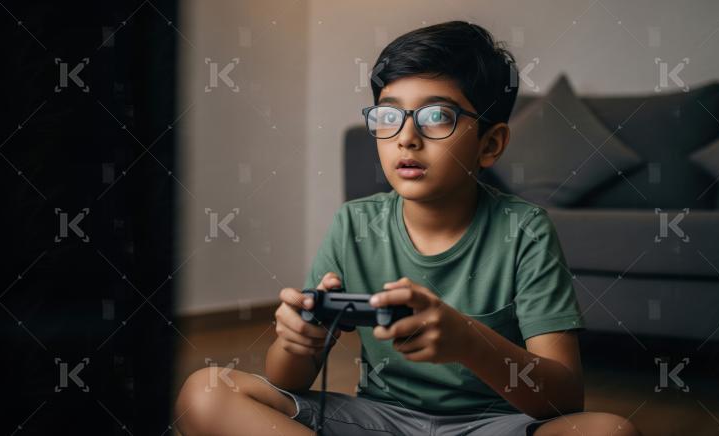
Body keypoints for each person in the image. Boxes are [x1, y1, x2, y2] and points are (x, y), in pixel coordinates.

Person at [176, 20, 641, 436]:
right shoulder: (354, 222)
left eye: (437, 115)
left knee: (610, 432)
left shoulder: (525, 230)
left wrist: (466, 341)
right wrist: (299, 342)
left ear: (490, 143)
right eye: (387, 115)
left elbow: (563, 400)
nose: (407, 135)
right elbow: (286, 381)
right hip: (379, 420)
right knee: (205, 391)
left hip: (492, 425)